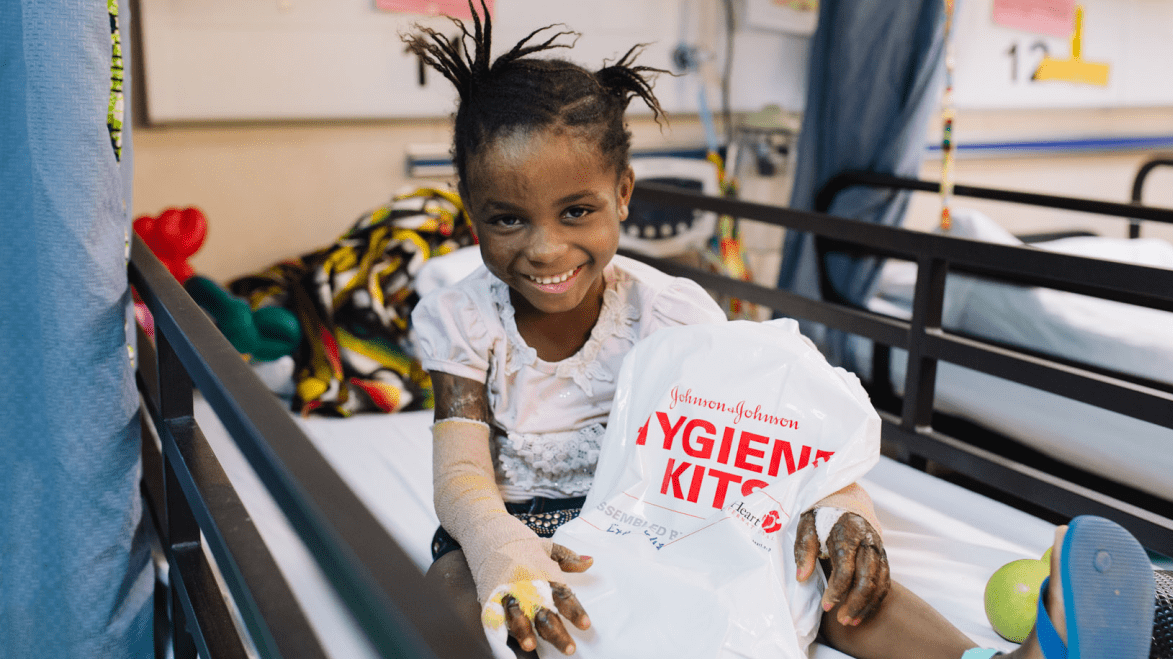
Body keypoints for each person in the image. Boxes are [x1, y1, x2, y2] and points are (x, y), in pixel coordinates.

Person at [405, 4, 1157, 658]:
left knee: (819, 574)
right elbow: (463, 474)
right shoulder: (466, 318)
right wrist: (502, 545)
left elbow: (781, 438)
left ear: (622, 194)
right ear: (469, 208)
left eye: (576, 211)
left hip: (663, 510)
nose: (543, 248)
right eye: (506, 218)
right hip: (518, 522)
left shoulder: (673, 315)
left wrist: (844, 516)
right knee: (448, 594)